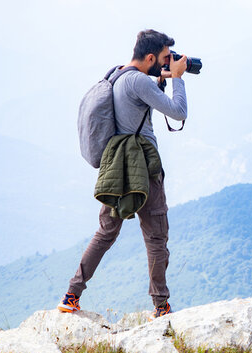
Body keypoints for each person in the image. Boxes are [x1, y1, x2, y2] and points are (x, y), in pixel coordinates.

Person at [58, 29, 188, 318]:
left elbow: (138, 95)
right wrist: (177, 78)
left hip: (117, 167)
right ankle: (161, 306)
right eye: (166, 58)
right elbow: (178, 112)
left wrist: (163, 78)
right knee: (156, 238)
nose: (169, 62)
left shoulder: (118, 74)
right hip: (144, 166)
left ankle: (71, 295)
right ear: (151, 57)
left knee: (105, 232)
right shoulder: (139, 81)